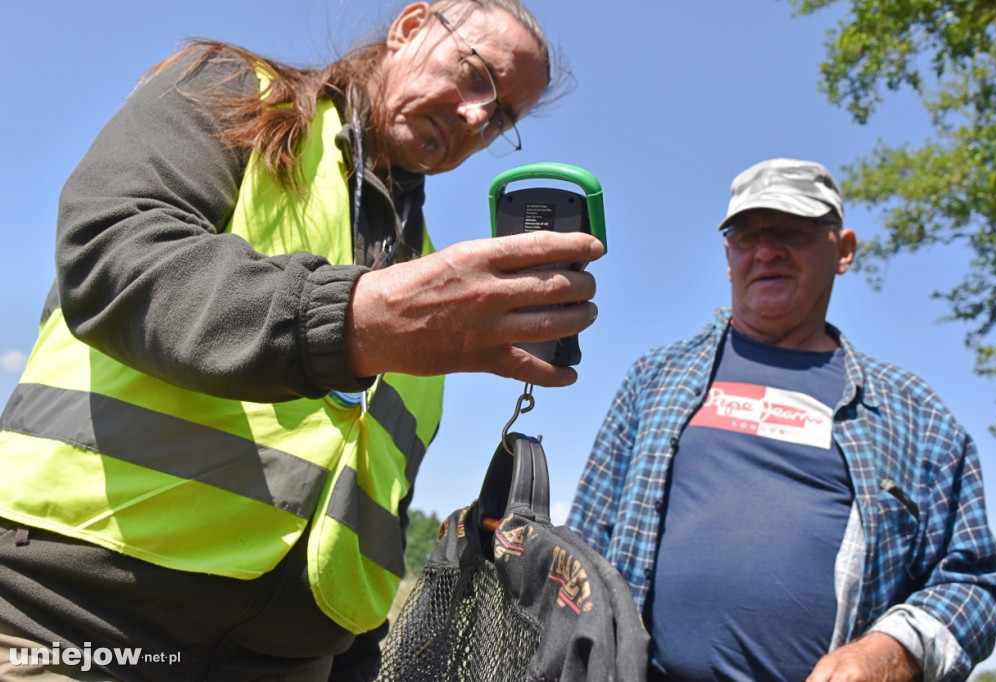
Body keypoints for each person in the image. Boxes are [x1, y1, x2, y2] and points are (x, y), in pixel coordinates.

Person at [0, 1, 603, 680]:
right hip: (72, 618)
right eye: (474, 75)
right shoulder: (234, 92)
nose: (474, 117)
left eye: (500, 119)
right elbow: (108, 258)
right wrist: (357, 320)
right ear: (408, 27)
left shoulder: (434, 284)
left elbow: (370, 515)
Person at [567, 158, 996, 682]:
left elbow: (976, 579)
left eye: (792, 231)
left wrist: (894, 652)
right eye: (746, 234)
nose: (766, 250)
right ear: (727, 256)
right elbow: (582, 552)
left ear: (842, 249)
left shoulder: (919, 417)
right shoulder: (654, 380)